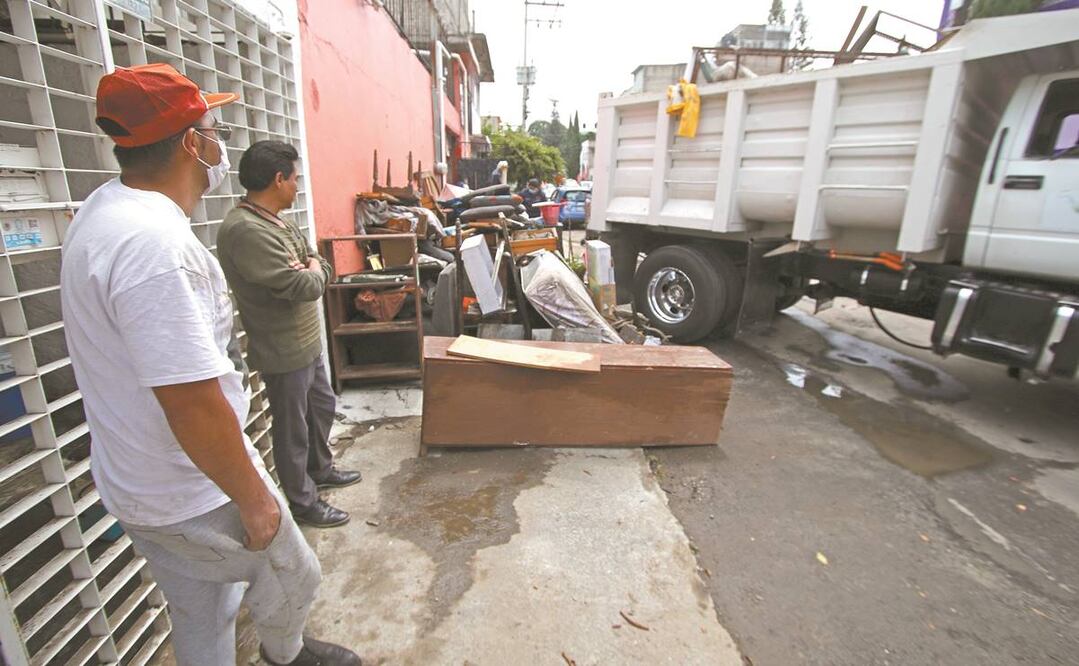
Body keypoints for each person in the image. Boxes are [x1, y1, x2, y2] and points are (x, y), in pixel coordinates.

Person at [60, 63, 360, 666]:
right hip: (188, 488)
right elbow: (190, 400)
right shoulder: (154, 247)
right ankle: (288, 657)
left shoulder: (105, 211)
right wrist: (254, 500)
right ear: (193, 143)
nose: (221, 142)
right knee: (293, 575)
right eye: (213, 127)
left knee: (204, 606)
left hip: (143, 479)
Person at [217, 141, 360, 529]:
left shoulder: (279, 219)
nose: (297, 186)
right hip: (282, 347)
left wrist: (311, 266)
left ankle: (320, 468)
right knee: (292, 427)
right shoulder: (245, 230)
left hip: (307, 342)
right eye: (295, 179)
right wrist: (311, 271)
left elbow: (318, 264)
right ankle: (303, 501)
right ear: (278, 179)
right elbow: (304, 286)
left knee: (321, 407)